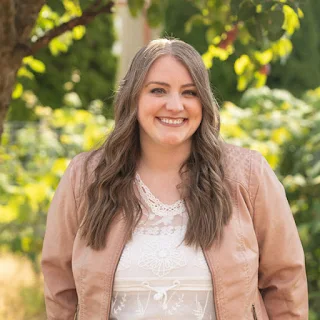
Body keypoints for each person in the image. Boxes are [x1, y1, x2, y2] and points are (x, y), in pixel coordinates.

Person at [41, 38, 308, 320]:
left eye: (189, 92)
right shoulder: (85, 178)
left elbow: (285, 283)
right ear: (133, 97)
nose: (175, 105)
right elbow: (60, 285)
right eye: (158, 90)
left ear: (203, 101)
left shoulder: (248, 175)